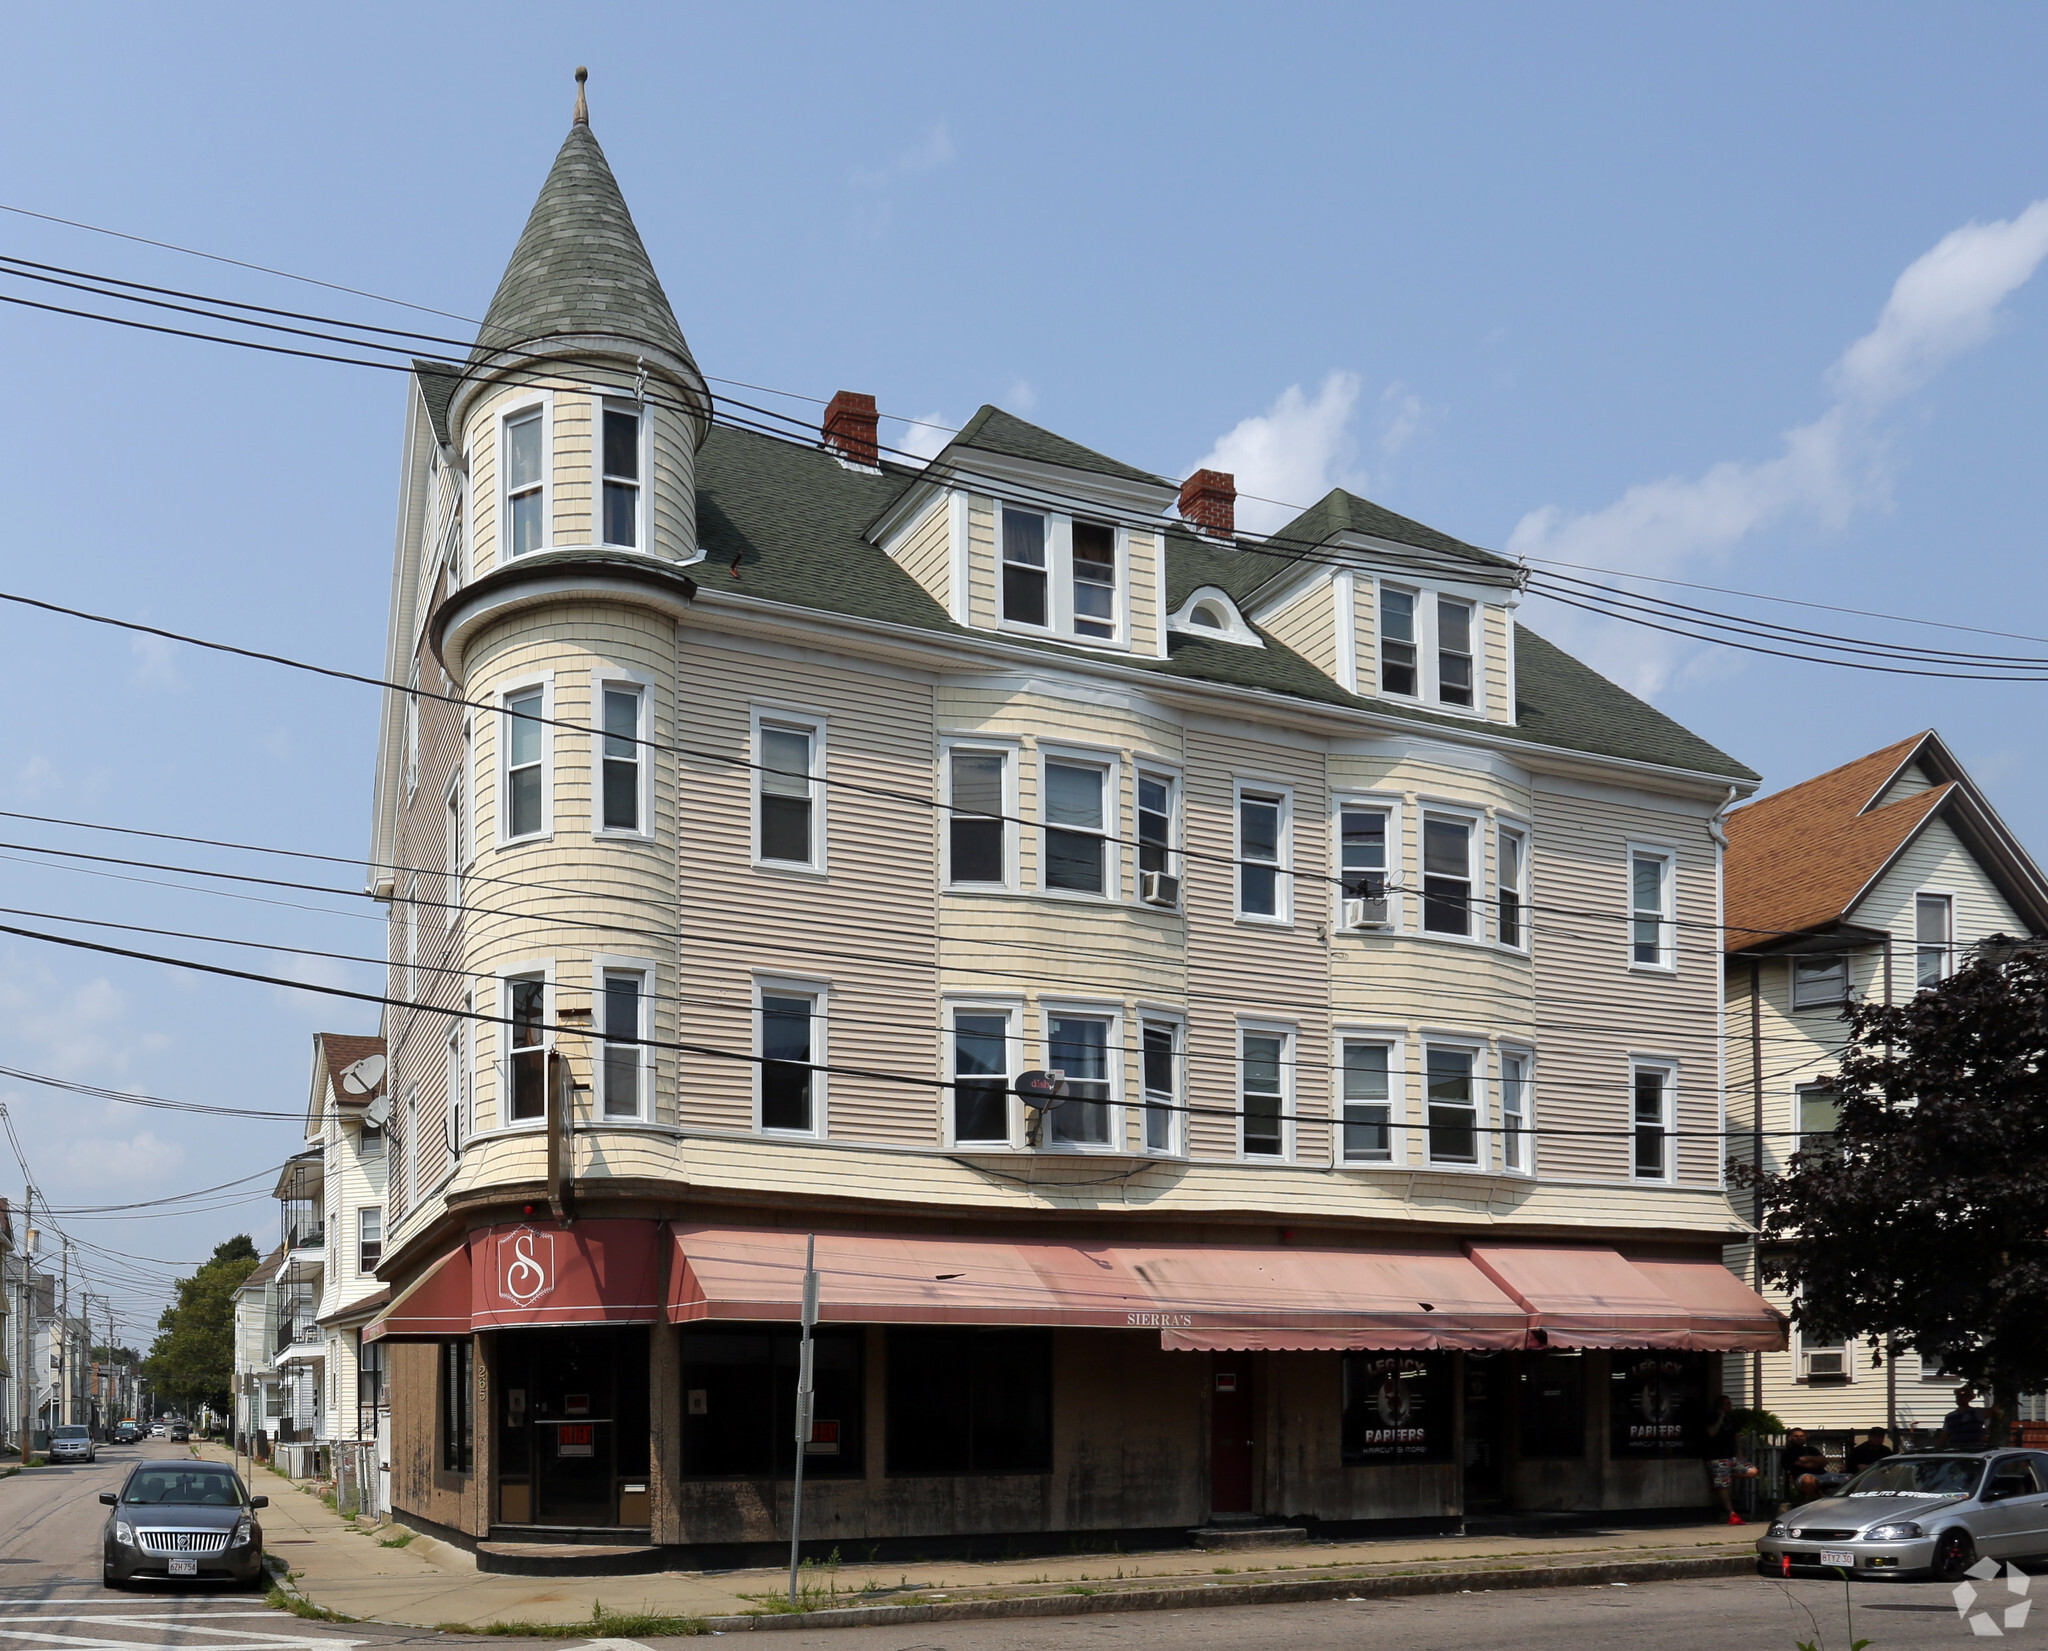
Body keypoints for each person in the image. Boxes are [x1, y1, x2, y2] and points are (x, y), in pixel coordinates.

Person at [1699, 1394, 1758, 1524]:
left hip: (1731, 1456)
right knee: (1723, 1485)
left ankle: (1726, 1477)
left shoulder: (1732, 1418)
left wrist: (1739, 1452)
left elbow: (1737, 1436)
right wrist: (1719, 1418)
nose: (1729, 1406)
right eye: (1726, 1404)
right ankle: (1731, 1513)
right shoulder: (1712, 1417)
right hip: (1716, 1457)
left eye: (1729, 1403)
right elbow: (1711, 1433)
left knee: (1753, 1471)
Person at [1784, 1427, 1834, 1503]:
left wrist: (1808, 1458)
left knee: (1848, 1477)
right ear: (1790, 1438)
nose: (1799, 1438)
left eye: (1802, 1436)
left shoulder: (1812, 1449)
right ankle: (1819, 1500)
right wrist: (1816, 1461)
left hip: (1823, 1474)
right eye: (1796, 1436)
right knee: (1808, 1480)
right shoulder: (1788, 1452)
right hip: (1802, 1476)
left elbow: (1824, 1461)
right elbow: (1804, 1465)